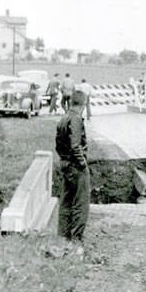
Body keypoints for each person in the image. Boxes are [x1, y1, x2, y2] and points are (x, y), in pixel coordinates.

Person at [55, 89, 90, 241]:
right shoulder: (76, 119)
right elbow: (76, 145)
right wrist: (82, 163)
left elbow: (57, 144)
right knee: (81, 203)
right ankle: (77, 239)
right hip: (76, 166)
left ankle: (63, 237)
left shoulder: (64, 117)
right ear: (84, 103)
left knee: (66, 201)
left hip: (65, 163)